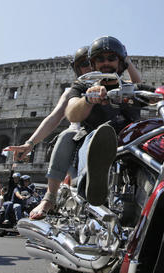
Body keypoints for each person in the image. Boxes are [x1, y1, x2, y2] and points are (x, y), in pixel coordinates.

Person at [6, 45, 142, 220]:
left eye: (89, 63)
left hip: (118, 135)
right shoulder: (77, 89)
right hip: (82, 136)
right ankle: (51, 197)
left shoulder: (118, 84)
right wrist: (30, 143)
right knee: (67, 136)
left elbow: (137, 87)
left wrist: (127, 60)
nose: (87, 68)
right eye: (83, 64)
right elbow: (54, 117)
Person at [61, 36, 143, 208]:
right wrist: (88, 100)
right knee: (97, 137)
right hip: (93, 139)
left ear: (121, 62)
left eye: (111, 58)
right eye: (100, 59)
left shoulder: (133, 89)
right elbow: (71, 113)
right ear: (93, 64)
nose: (106, 62)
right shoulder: (82, 86)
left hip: (131, 144)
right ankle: (90, 183)